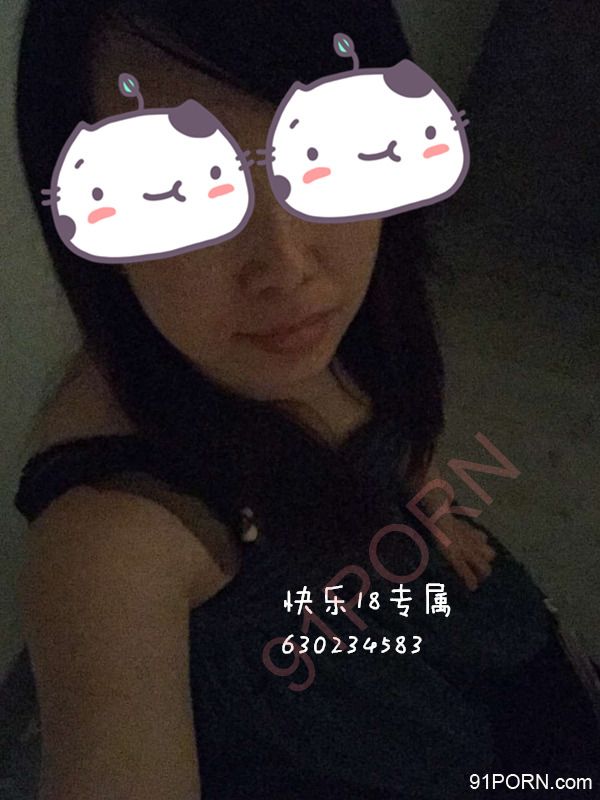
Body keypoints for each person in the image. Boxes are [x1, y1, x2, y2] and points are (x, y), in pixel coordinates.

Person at [1, 2, 599, 799]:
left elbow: (386, 423)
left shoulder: (349, 311)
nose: (284, 264)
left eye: (336, 146)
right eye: (167, 187)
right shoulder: (111, 547)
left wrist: (426, 502)